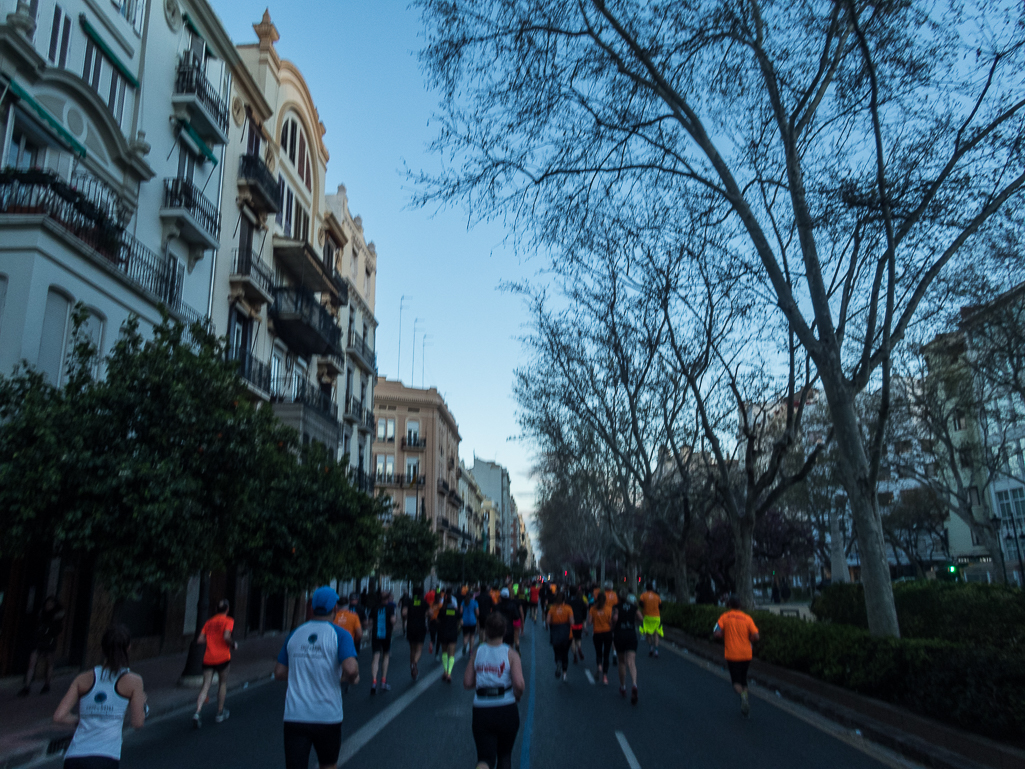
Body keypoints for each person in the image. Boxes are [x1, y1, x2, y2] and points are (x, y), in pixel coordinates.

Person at [274, 586, 359, 769]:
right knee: (328, 764)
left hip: (295, 715)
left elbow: (279, 672)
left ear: (312, 607)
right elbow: (351, 669)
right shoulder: (341, 635)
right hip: (327, 716)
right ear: (335, 608)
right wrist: (350, 678)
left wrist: (302, 671)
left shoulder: (295, 634)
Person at [54, 625, 146, 769]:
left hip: (74, 757)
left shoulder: (83, 678)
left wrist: (82, 720)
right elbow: (137, 723)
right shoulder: (134, 681)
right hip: (105, 757)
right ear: (128, 648)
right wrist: (142, 707)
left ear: (102, 649)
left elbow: (59, 716)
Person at [463, 613, 525, 769]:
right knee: (504, 756)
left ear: (486, 632)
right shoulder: (511, 654)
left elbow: (467, 682)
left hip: (482, 710)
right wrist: (517, 696)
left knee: (485, 757)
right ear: (504, 632)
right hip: (506, 708)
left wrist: (484, 681)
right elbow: (519, 684)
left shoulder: (478, 652)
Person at [713, 596, 761, 717]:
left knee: (736, 682)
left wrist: (724, 634)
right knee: (743, 679)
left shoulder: (724, 617)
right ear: (740, 605)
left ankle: (743, 697)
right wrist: (749, 639)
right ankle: (745, 695)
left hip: (732, 654)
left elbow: (716, 633)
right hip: (746, 654)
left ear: (729, 605)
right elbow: (756, 636)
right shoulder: (747, 618)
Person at [192, 599, 236, 727]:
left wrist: (211, 640)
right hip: (223, 657)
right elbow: (227, 636)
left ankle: (197, 711)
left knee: (206, 685)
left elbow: (200, 640)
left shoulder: (209, 622)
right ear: (227, 610)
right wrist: (233, 644)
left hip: (208, 657)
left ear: (216, 610)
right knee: (222, 683)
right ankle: (220, 712)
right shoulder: (229, 620)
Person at [19, 596, 64, 696]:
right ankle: (27, 686)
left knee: (49, 663)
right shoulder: (41, 614)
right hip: (38, 641)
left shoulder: (57, 616)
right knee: (32, 663)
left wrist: (48, 630)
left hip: (49, 642)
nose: (48, 606)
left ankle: (47, 684)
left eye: (51, 604)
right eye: (47, 604)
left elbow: (57, 630)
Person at [612, 592, 643, 704]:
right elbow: (640, 618)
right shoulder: (634, 607)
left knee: (621, 662)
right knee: (631, 661)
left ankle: (623, 687)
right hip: (631, 635)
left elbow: (615, 619)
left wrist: (612, 625)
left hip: (620, 635)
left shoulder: (617, 607)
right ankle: (634, 684)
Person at [369, 589, 397, 694]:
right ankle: (383, 681)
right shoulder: (390, 607)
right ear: (388, 598)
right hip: (386, 635)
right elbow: (393, 621)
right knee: (385, 656)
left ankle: (374, 682)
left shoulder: (374, 607)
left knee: (375, 658)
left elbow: (370, 622)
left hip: (376, 634)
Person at [585, 590, 613, 685]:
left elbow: (589, 622)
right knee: (606, 654)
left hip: (597, 633)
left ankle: (599, 667)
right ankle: (605, 676)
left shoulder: (593, 609)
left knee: (598, 652)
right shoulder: (609, 609)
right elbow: (610, 622)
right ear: (605, 600)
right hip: (607, 633)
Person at [545, 591, 574, 681]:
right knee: (565, 654)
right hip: (567, 634)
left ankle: (558, 663)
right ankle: (564, 674)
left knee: (557, 652)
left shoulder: (552, 608)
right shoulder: (568, 608)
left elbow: (548, 621)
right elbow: (572, 621)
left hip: (556, 634)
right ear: (564, 599)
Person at [404, 586, 429, 680]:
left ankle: (412, 668)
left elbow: (404, 613)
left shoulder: (409, 601)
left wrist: (411, 615)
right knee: (419, 649)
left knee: (412, 650)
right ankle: (414, 663)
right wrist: (423, 615)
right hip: (420, 627)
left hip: (410, 627)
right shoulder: (424, 602)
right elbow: (430, 613)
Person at [438, 589, 461, 683]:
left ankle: (445, 671)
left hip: (443, 633)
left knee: (444, 653)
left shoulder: (442, 611)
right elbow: (460, 622)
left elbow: (438, 621)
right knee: (451, 654)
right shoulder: (455, 611)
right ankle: (449, 674)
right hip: (453, 633)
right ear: (452, 601)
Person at [638, 583, 663, 658]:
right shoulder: (657, 596)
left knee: (648, 633)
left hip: (647, 616)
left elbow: (641, 604)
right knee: (656, 633)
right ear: (652, 588)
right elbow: (661, 606)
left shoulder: (643, 595)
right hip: (656, 617)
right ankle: (656, 650)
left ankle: (650, 648)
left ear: (646, 588)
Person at [569, 586, 588, 664]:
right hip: (579, 622)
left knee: (572, 640)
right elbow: (585, 610)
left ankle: (575, 655)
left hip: (570, 623)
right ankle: (579, 648)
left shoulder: (568, 601)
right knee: (578, 638)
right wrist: (583, 620)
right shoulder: (580, 601)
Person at [461, 589, 479, 656]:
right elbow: (477, 613)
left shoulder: (463, 602)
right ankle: (470, 650)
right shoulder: (475, 602)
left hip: (464, 621)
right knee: (472, 636)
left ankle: (465, 646)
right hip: (472, 621)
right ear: (472, 596)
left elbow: (460, 611)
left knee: (465, 636)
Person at [428, 592, 443, 659]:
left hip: (432, 622)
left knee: (433, 638)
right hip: (438, 622)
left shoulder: (431, 604)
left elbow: (429, 614)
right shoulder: (440, 605)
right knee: (439, 639)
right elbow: (443, 614)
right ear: (439, 598)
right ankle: (436, 654)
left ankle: (431, 644)